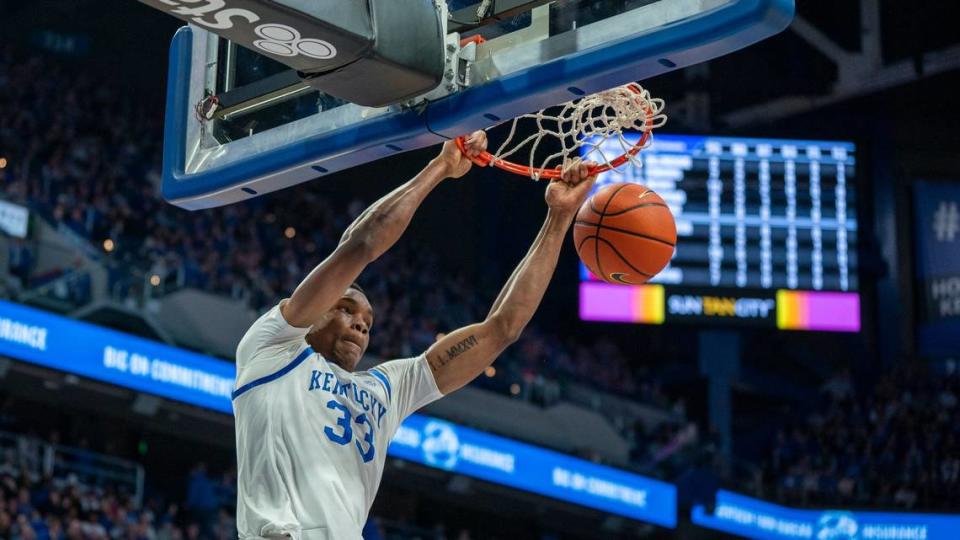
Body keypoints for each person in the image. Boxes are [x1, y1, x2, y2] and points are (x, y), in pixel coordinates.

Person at [232, 131, 599, 540]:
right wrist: (441, 167)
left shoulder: (385, 390)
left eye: (368, 321)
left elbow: (502, 329)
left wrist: (559, 219)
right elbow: (362, 245)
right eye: (346, 308)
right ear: (315, 310)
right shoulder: (273, 348)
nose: (361, 323)